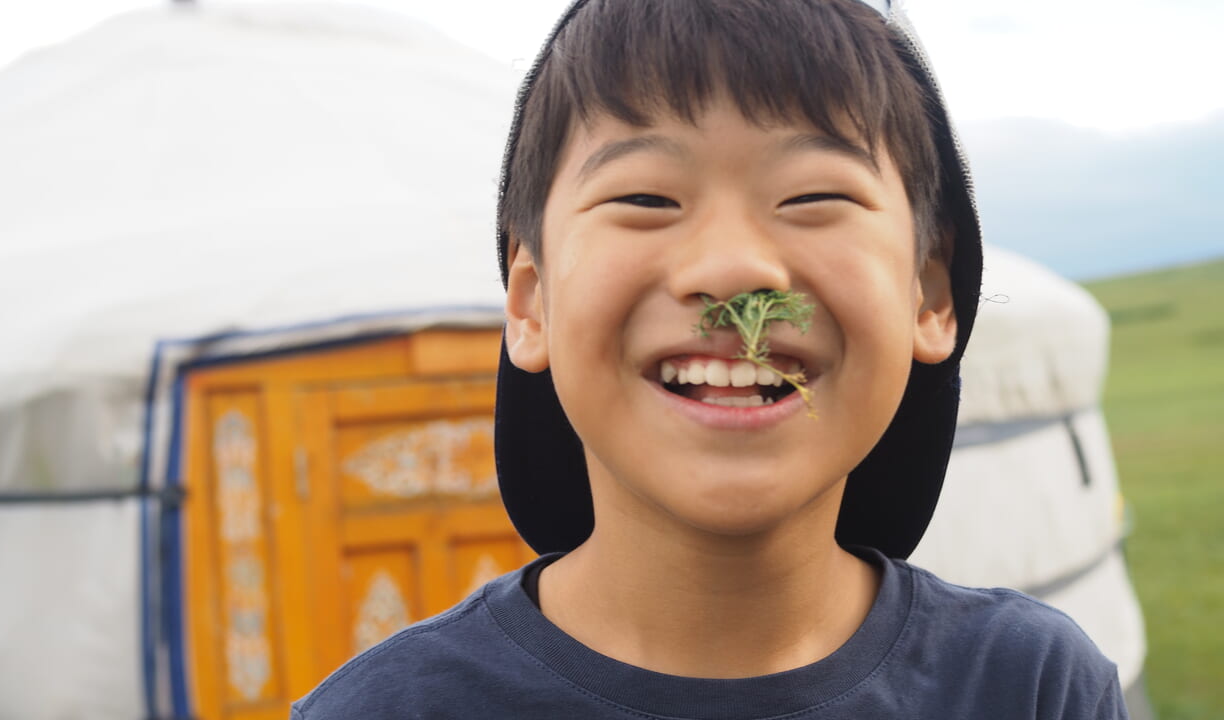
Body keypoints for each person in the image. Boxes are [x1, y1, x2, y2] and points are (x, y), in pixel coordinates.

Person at [292, 0, 1128, 717]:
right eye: (645, 198)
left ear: (931, 297)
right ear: (530, 300)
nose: (732, 270)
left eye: (815, 197)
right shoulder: (387, 710)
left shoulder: (1028, 687)